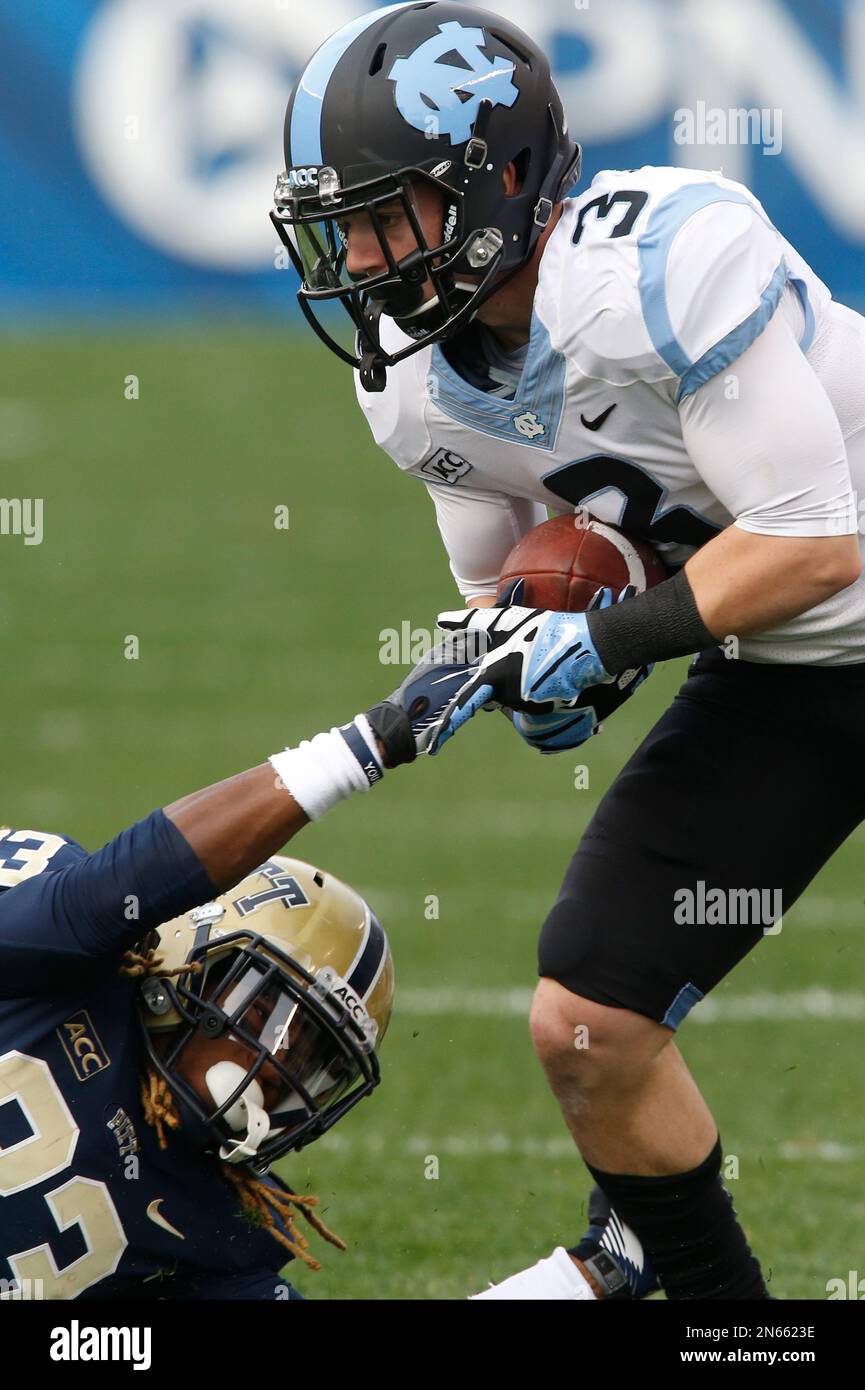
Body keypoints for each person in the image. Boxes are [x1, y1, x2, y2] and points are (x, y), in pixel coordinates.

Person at [274, 1, 865, 1299]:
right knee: (590, 1024)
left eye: (389, 215)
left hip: (807, 590)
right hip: (797, 668)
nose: (360, 257)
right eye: (342, 224)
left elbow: (819, 543)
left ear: (496, 183)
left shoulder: (659, 265)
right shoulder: (416, 384)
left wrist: (599, 640)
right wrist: (550, 676)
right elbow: (528, 597)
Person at [0, 646, 471, 1300]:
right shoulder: (59, 947)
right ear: (188, 967)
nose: (275, 1069)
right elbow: (116, 889)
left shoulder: (228, 1231)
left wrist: (594, 1274)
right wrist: (374, 740)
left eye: (312, 1061)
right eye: (259, 1014)